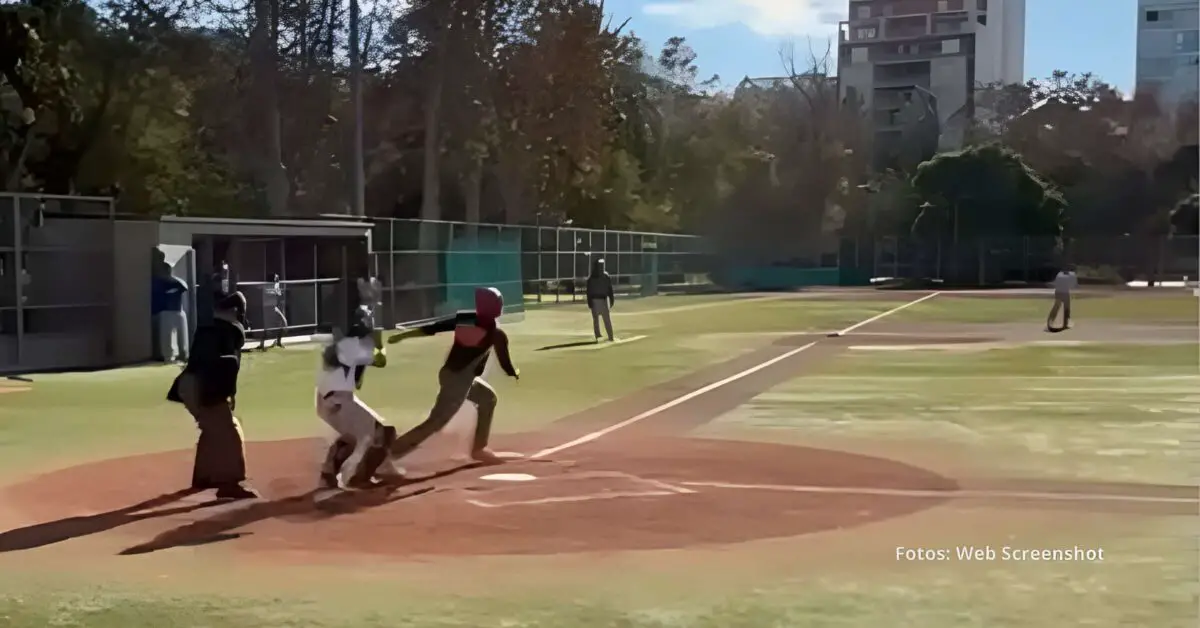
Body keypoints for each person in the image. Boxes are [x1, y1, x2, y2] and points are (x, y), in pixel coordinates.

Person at [386, 287, 519, 466]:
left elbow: (433, 328)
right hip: (459, 381)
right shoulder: (496, 334)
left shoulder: (467, 318)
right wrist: (514, 372)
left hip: (451, 375)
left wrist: (403, 335)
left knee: (487, 398)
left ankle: (479, 449)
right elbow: (505, 363)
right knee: (436, 423)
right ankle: (389, 454)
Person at [166, 291, 258, 500]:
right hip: (204, 387)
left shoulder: (208, 328)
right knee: (229, 432)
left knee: (211, 429)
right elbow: (227, 364)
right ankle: (229, 485)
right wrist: (228, 392)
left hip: (188, 385)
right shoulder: (231, 330)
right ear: (235, 311)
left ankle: (204, 476)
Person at [315, 307, 400, 490]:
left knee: (354, 436)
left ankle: (328, 473)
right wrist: (378, 340)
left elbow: (354, 377)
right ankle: (360, 477)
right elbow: (380, 360)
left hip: (327, 400)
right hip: (339, 401)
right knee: (383, 433)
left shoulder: (342, 343)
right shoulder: (353, 343)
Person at [154, 266, 190, 363]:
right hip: (166, 311)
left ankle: (184, 355)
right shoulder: (159, 283)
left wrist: (171, 278)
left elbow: (185, 286)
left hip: (179, 311)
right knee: (167, 336)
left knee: (182, 335)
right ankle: (169, 357)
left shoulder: (176, 282)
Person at [585, 257, 615, 342]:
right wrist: (589, 301)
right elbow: (589, 291)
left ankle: (609, 336)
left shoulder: (604, 276)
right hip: (596, 299)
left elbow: (609, 289)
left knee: (605, 319)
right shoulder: (592, 278)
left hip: (602, 299)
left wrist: (611, 299)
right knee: (597, 320)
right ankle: (599, 335)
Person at [258, 274, 287, 351]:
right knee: (267, 328)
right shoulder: (266, 285)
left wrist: (278, 291)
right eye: (276, 278)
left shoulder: (276, 285)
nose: (277, 279)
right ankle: (262, 343)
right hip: (268, 308)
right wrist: (275, 292)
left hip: (275, 307)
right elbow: (267, 293)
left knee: (283, 323)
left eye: (277, 278)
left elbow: (279, 294)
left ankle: (279, 342)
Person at [1047, 265, 1078, 331]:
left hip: (1058, 292)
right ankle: (1065, 324)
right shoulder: (1072, 275)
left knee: (1056, 306)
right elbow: (1073, 286)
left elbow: (1056, 283)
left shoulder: (1059, 274)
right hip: (1065, 292)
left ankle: (1050, 322)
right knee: (1066, 307)